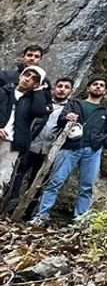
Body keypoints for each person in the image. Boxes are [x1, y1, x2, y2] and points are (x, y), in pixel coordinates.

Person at [33, 76, 107, 224]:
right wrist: (67, 117)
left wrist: (102, 142)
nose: (98, 87)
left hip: (93, 151)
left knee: (86, 187)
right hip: (69, 148)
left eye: (101, 85)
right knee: (55, 181)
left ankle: (79, 220)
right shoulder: (75, 104)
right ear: (88, 88)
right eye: (95, 84)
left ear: (105, 91)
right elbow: (60, 120)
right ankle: (42, 216)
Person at [6, 75, 63, 212]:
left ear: (71, 91)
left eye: (67, 87)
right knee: (17, 174)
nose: (62, 90)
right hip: (30, 145)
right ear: (54, 88)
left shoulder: (71, 107)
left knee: (37, 182)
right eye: (60, 86)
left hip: (48, 151)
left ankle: (27, 212)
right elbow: (36, 113)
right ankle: (10, 203)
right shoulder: (38, 101)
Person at [1, 65, 48, 198]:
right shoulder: (3, 91)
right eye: (27, 75)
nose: (28, 79)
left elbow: (40, 111)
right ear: (21, 75)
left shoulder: (31, 101)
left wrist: (38, 91)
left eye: (34, 79)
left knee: (2, 177)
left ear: (36, 84)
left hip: (12, 144)